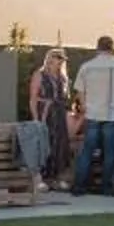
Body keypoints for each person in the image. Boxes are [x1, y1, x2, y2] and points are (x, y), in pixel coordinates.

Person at [72, 35, 114, 194]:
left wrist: (84, 106)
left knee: (87, 151)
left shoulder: (87, 66)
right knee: (110, 153)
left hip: (92, 113)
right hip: (112, 114)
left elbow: (80, 90)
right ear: (112, 48)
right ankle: (107, 187)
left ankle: (79, 186)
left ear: (97, 48)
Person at [31, 48, 74, 191]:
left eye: (62, 60)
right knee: (46, 143)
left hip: (59, 114)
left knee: (60, 145)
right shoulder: (40, 75)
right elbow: (33, 98)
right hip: (46, 113)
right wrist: (36, 118)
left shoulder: (62, 77)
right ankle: (43, 178)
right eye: (58, 58)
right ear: (50, 59)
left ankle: (57, 178)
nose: (60, 62)